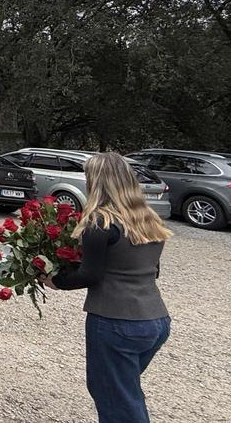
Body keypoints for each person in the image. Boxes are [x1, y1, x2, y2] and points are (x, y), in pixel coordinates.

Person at [40, 153, 173, 423]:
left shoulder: (100, 222)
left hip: (116, 320)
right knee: (127, 394)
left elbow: (91, 274)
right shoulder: (148, 218)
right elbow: (154, 270)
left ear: (96, 181)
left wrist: (55, 280)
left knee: (116, 401)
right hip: (155, 319)